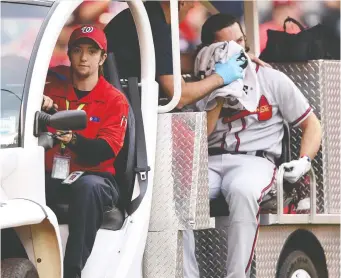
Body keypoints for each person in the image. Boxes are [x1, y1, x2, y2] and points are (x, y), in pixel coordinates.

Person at [183, 13, 322, 278]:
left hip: (255, 160)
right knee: (183, 195)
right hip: (210, 159)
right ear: (210, 52)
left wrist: (304, 161)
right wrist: (222, 90)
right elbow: (201, 136)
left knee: (242, 189)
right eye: (227, 48)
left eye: (240, 44)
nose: (238, 53)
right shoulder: (201, 85)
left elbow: (312, 125)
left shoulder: (270, 79)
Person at [42, 25, 129, 278]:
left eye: (92, 51)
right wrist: (39, 98)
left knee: (88, 187)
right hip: (51, 174)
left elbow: (103, 150)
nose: (83, 57)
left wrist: (72, 139)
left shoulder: (114, 99)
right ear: (68, 54)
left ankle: (72, 272)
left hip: (97, 177)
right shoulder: (51, 84)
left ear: (102, 58)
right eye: (78, 50)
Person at [104, 1, 268, 109]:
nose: (191, 10)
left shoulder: (150, 18)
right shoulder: (156, 26)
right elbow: (180, 95)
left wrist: (234, 56)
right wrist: (221, 77)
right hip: (123, 108)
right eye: (191, 6)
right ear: (181, 2)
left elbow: (174, 62)